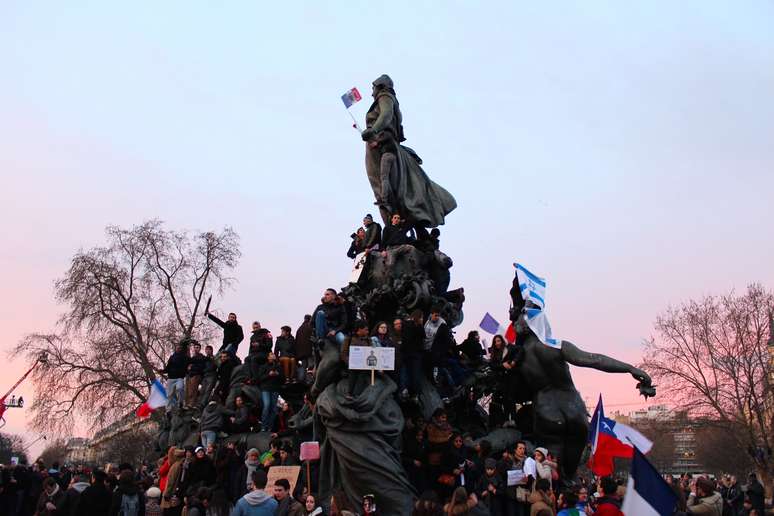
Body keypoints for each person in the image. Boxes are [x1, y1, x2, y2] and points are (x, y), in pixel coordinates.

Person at [360, 74, 457, 227]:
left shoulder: (385, 97)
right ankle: (394, 227)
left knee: (382, 185)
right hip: (384, 145)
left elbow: (386, 115)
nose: (371, 92)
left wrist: (374, 131)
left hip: (382, 145)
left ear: (380, 87)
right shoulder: (388, 99)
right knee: (390, 186)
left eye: (373, 88)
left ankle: (392, 224)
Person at [398, 310, 424, 401]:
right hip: (416, 354)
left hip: (406, 353)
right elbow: (423, 337)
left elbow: (404, 338)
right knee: (415, 374)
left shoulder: (405, 324)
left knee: (405, 372)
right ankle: (415, 393)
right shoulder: (419, 327)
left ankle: (404, 389)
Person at [258, 352, 284, 432]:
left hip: (275, 389)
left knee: (274, 409)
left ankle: (270, 426)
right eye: (271, 355)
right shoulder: (263, 367)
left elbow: (283, 378)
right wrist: (269, 375)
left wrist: (277, 374)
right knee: (267, 405)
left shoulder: (279, 367)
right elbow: (260, 378)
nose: (273, 356)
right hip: (265, 389)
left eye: (274, 355)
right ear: (268, 357)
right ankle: (263, 426)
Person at [163, 341, 189, 411]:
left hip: (179, 378)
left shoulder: (184, 357)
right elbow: (168, 368)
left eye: (180, 348)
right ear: (175, 349)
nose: (178, 349)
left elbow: (189, 364)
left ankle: (180, 403)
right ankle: (168, 410)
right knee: (169, 395)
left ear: (181, 349)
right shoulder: (172, 357)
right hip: (171, 378)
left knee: (180, 388)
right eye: (177, 347)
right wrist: (162, 371)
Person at [186, 341, 207, 408]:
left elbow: (201, 367)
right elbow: (188, 366)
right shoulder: (192, 357)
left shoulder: (201, 357)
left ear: (200, 348)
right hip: (191, 375)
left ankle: (192, 404)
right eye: (195, 348)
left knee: (193, 390)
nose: (196, 349)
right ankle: (189, 403)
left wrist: (192, 367)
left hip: (197, 375)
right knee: (189, 390)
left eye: (197, 347)